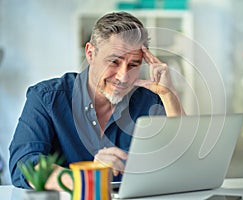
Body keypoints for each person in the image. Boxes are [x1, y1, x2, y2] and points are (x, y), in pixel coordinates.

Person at [9, 11, 184, 191]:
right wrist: (89, 178)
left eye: (133, 65)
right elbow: (24, 164)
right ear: (90, 54)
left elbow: (183, 161)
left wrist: (169, 95)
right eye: (114, 62)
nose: (123, 77)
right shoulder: (47, 97)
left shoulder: (149, 100)